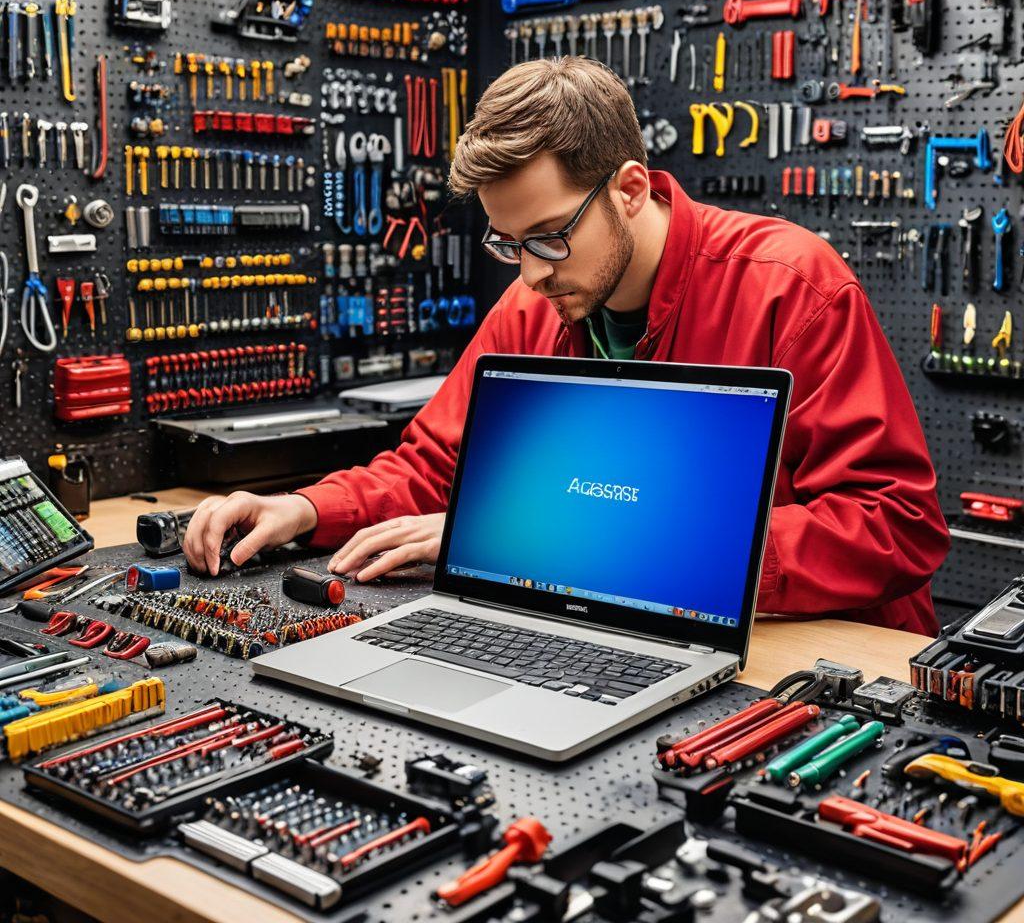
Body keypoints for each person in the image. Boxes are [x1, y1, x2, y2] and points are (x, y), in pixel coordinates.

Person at [183, 57, 949, 635]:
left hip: (824, 662)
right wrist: (306, 508)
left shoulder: (790, 286)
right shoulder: (536, 300)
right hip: (627, 633)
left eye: (548, 238)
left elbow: (893, 526)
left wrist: (555, 545)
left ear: (629, 190)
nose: (529, 271)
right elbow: (436, 466)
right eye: (506, 243)